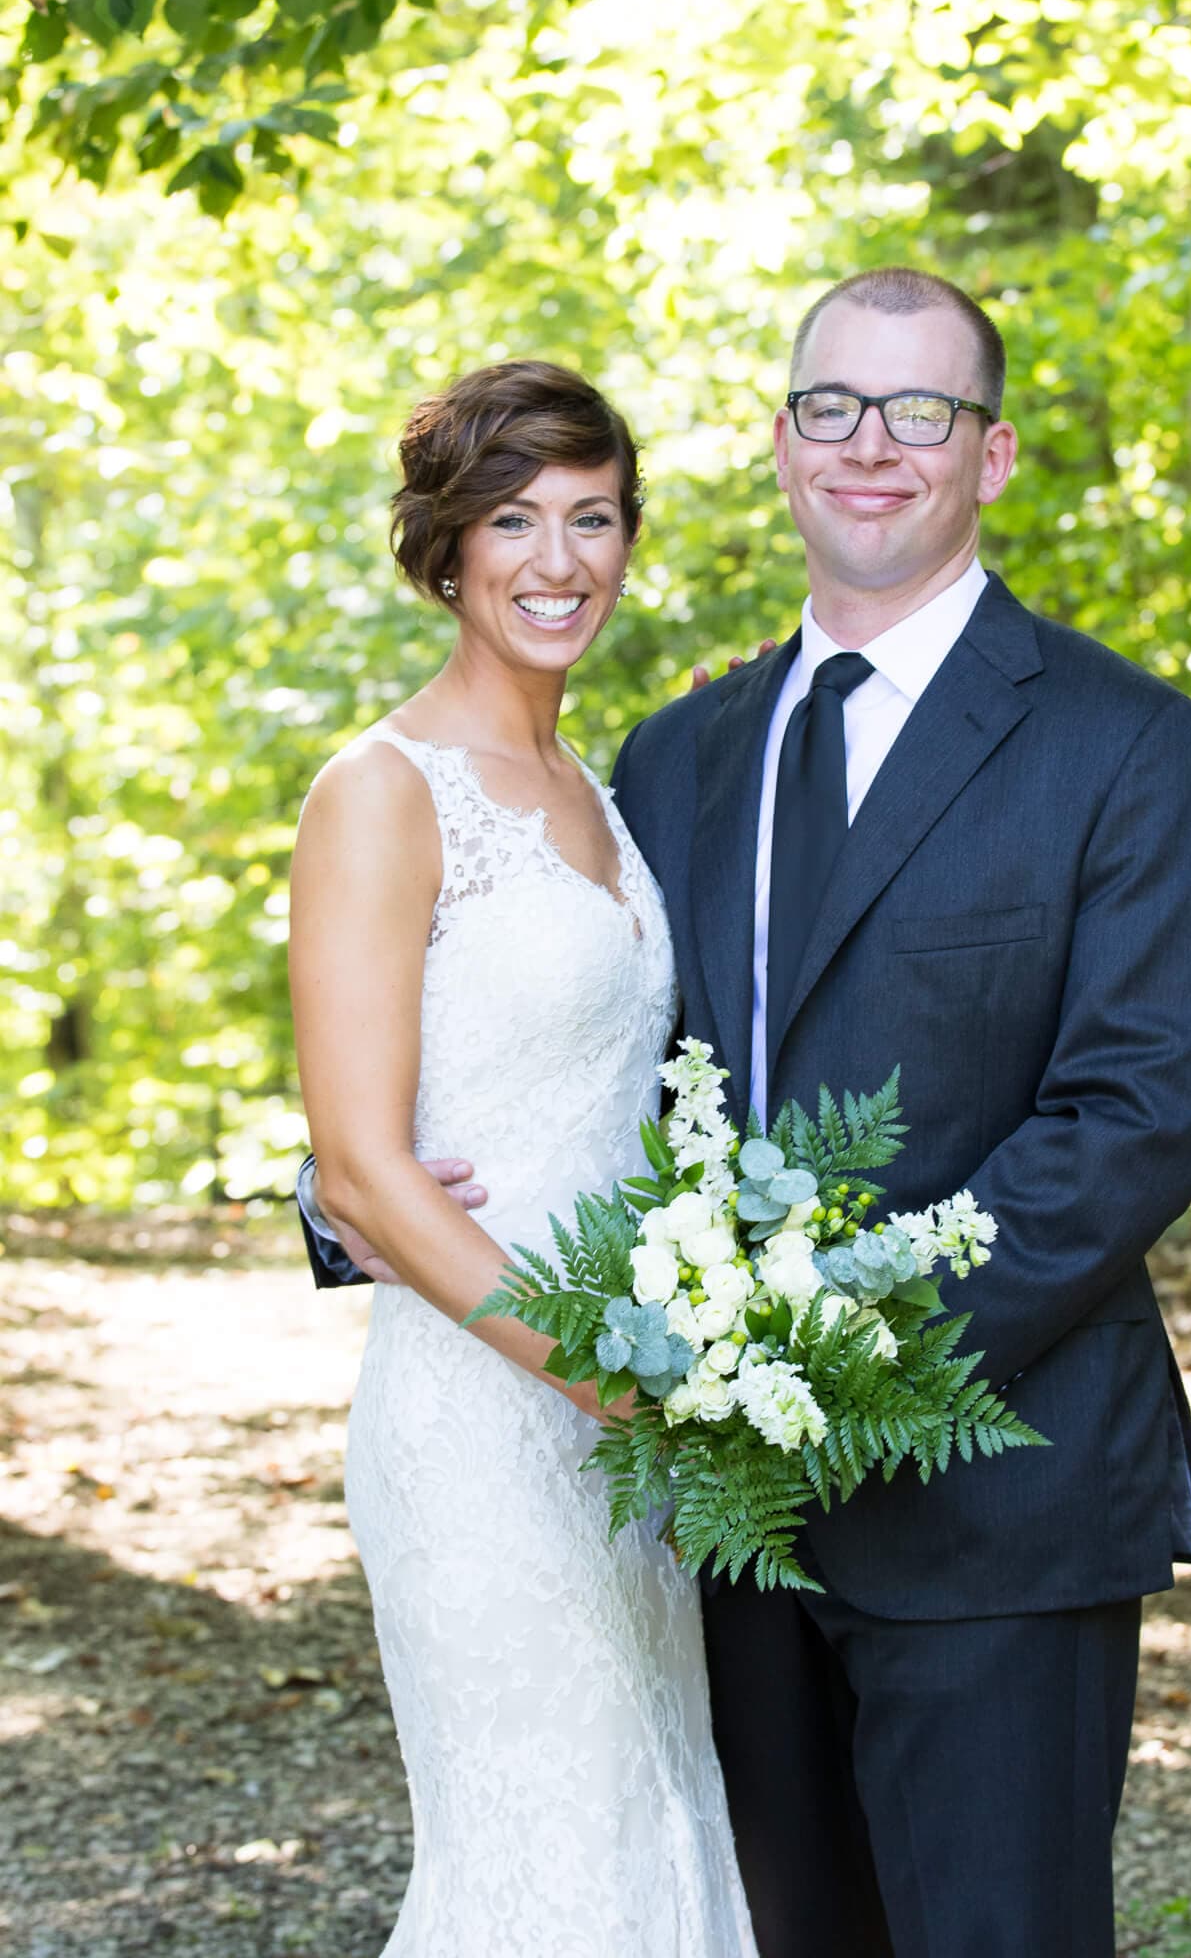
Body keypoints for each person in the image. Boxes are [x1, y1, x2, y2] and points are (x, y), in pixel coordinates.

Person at [301, 268, 1191, 1958]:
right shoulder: (674, 758)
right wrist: (351, 1185)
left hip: (989, 1499)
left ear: (994, 454)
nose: (868, 447)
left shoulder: (1124, 744)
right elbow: (580, 1056)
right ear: (785, 442)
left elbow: (1136, 1114)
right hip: (707, 1523)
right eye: (831, 407)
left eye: (919, 412)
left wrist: (830, 1366)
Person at [287, 358, 757, 1957]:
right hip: (492, 1422)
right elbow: (356, 1167)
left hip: (635, 1424)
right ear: (446, 546)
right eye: (514, 520)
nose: (558, 560)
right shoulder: (379, 791)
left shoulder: (597, 793)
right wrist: (606, 1376)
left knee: (653, 1824)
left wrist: (675, 1377)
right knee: (534, 1861)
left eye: (593, 518)